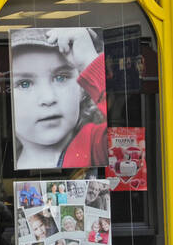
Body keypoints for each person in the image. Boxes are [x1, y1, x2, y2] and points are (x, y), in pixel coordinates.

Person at [9, 28, 107, 169]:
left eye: (61, 77)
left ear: (82, 88)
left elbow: (128, 135)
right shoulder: (1, 158)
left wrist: (88, 62)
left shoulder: (97, 144)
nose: (48, 98)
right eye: (24, 84)